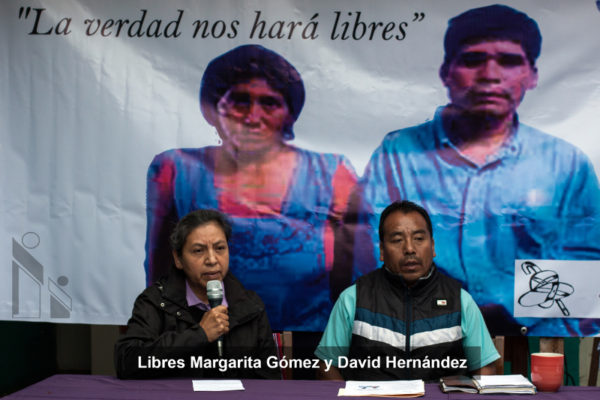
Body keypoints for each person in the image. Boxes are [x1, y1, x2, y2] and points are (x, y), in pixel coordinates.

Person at [348, 4, 600, 336]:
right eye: (473, 59)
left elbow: (582, 271)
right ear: (445, 73)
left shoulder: (565, 163)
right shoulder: (398, 154)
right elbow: (372, 256)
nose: (490, 75)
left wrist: (519, 327)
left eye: (509, 61)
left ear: (533, 75)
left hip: (533, 345)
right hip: (422, 340)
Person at [145, 44, 357, 331]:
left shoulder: (332, 173)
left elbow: (354, 274)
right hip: (208, 341)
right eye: (240, 101)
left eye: (269, 103)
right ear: (214, 109)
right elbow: (160, 272)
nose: (253, 116)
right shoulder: (176, 170)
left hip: (312, 343)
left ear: (289, 114)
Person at [316, 201, 499, 381]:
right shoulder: (353, 299)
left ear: (433, 246)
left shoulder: (460, 300)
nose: (410, 249)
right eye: (397, 240)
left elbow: (485, 368)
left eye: (419, 239)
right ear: (381, 250)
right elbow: (325, 366)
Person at [115, 209, 280, 379]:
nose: (212, 260)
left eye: (220, 248)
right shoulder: (155, 301)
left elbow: (269, 378)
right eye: (198, 251)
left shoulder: (250, 305)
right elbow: (128, 362)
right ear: (178, 259)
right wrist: (199, 334)